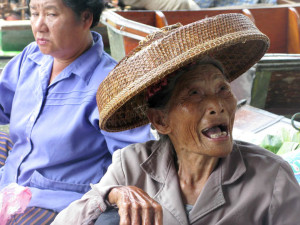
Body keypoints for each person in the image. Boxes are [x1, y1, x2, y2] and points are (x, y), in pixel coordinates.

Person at [52, 13, 300, 225]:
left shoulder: (271, 176)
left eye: (223, 89)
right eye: (194, 94)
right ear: (160, 121)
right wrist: (112, 195)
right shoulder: (131, 165)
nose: (217, 106)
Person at [0, 0, 153, 224]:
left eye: (51, 14)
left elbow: (134, 161)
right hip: (11, 180)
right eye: (34, 14)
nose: (39, 26)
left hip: (56, 202)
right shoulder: (31, 58)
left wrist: (109, 192)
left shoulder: (110, 84)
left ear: (85, 18)